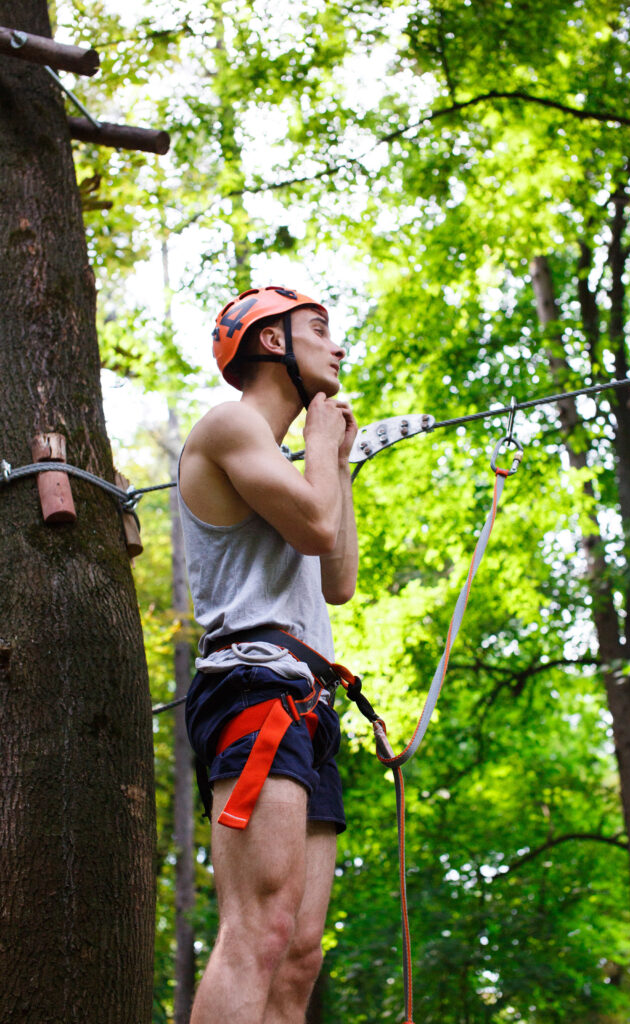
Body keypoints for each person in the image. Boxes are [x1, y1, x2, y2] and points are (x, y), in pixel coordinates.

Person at [177, 286, 359, 1024]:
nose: (337, 345)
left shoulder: (289, 465)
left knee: (299, 954)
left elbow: (338, 581)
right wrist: (318, 451)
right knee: (259, 929)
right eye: (319, 329)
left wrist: (336, 461)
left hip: (307, 702)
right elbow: (317, 530)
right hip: (253, 688)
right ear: (272, 342)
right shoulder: (229, 427)